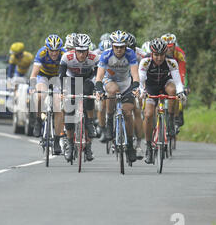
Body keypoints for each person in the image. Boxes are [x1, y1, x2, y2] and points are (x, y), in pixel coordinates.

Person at [138, 38, 187, 164]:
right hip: (150, 87)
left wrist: (180, 92)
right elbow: (141, 80)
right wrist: (142, 91)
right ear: (152, 53)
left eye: (162, 55)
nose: (159, 58)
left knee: (172, 90)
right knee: (148, 115)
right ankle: (148, 146)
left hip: (166, 83)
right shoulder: (145, 61)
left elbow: (177, 81)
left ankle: (170, 121)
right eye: (156, 55)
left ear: (165, 54)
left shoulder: (171, 62)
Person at [94, 30, 140, 163]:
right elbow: (99, 75)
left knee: (127, 112)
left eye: (121, 46)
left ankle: (130, 145)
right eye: (116, 46)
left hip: (125, 82)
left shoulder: (131, 54)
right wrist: (98, 88)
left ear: (125, 46)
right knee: (113, 90)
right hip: (110, 80)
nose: (119, 49)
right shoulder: (106, 54)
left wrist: (135, 86)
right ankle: (109, 121)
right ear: (112, 45)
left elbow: (135, 74)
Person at [60, 33, 99, 162]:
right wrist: (62, 91)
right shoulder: (67, 57)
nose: (82, 54)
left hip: (88, 79)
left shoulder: (94, 57)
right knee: (70, 111)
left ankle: (90, 125)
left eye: (84, 51)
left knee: (88, 94)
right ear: (74, 49)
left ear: (88, 49)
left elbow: (99, 74)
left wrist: (98, 90)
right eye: (79, 51)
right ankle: (70, 144)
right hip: (72, 80)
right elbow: (61, 76)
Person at [29, 34, 66, 155]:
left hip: (57, 78)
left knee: (58, 107)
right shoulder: (41, 53)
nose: (54, 53)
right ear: (47, 48)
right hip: (43, 76)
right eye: (52, 50)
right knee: (40, 95)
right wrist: (32, 87)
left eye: (56, 50)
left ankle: (56, 141)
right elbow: (34, 74)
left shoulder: (64, 54)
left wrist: (65, 90)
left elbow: (67, 75)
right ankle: (38, 120)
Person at [160, 33, 188, 130]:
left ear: (175, 45)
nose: (168, 49)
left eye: (171, 47)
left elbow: (182, 71)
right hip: (163, 75)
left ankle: (175, 118)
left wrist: (183, 86)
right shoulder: (159, 54)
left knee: (178, 95)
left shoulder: (179, 54)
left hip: (176, 74)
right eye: (166, 47)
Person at [126, 32, 145, 159]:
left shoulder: (141, 54)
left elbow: (145, 72)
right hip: (120, 80)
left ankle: (138, 144)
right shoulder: (114, 52)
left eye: (131, 48)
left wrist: (141, 88)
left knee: (137, 110)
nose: (129, 51)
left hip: (136, 80)